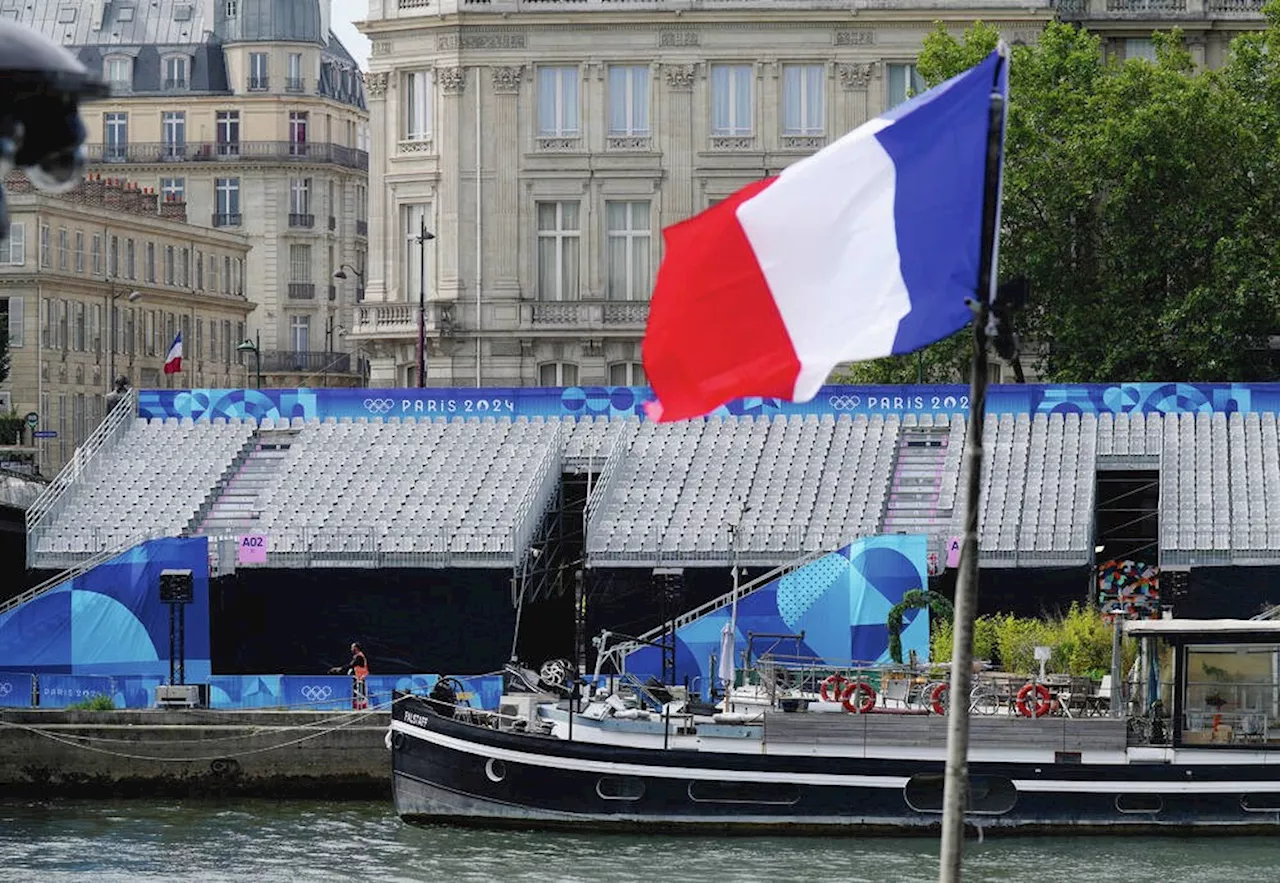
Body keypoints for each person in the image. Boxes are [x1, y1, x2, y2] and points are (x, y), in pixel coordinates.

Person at [329, 642, 369, 710]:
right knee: (355, 693)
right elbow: (352, 666)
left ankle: (362, 708)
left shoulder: (359, 656)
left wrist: (340, 669)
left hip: (360, 678)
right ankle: (356, 708)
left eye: (352, 647)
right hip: (357, 677)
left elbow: (351, 665)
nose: (351, 649)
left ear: (356, 648)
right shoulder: (357, 656)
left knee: (360, 694)